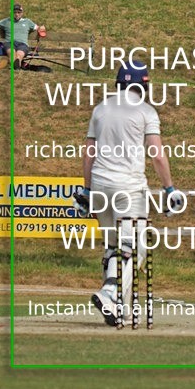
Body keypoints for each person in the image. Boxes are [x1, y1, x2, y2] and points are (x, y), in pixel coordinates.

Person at [73, 62, 184, 326]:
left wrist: (87, 190)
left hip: (100, 186)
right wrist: (169, 187)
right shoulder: (146, 111)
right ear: (143, 84)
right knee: (136, 248)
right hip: (128, 189)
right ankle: (110, 293)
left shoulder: (101, 109)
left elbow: (89, 152)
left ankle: (116, 306)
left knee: (114, 248)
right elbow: (156, 154)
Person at [0, 4, 45, 69]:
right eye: (15, 12)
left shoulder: (27, 21)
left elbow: (38, 27)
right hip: (9, 43)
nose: (17, 14)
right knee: (11, 52)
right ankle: (16, 66)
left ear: (22, 13)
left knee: (19, 54)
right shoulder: (7, 21)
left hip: (22, 44)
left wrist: (42, 27)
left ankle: (16, 63)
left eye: (19, 12)